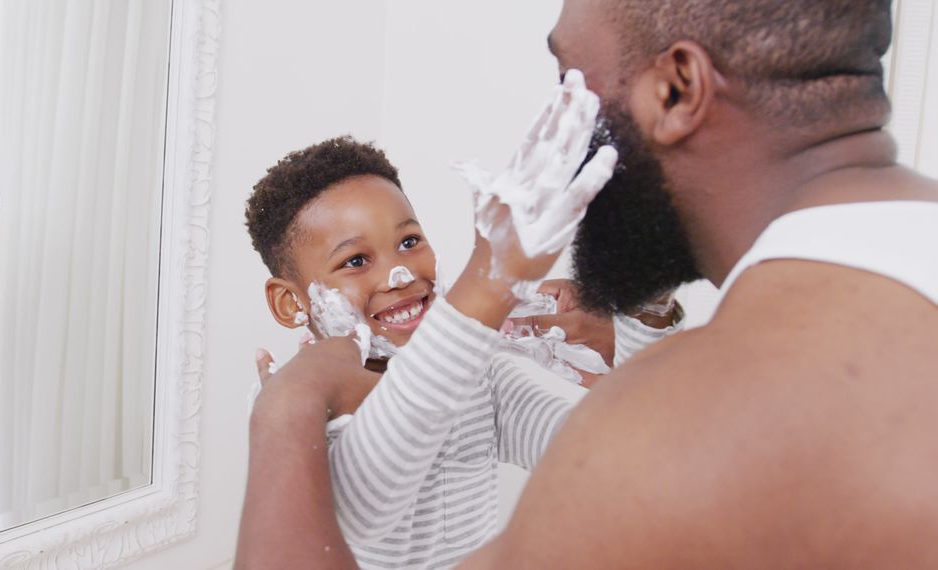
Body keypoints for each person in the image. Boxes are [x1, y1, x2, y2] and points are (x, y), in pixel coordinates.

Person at [235, 0, 938, 567]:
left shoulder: (688, 421)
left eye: (570, 77)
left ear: (676, 88)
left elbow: (594, 435)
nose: (396, 269)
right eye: (354, 260)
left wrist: (286, 409)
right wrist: (644, 315)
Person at [243, 132, 676, 568]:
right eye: (355, 261)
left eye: (409, 242)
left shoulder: (479, 379)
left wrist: (645, 307)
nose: (400, 274)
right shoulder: (300, 398)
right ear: (290, 302)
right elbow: (364, 512)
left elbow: (607, 454)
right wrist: (485, 291)